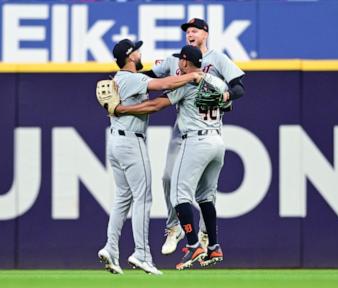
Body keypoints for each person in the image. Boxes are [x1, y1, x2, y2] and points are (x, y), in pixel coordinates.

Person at [116, 45, 228, 270]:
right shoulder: (218, 82)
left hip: (196, 140)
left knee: (178, 196)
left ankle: (194, 245)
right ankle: (214, 247)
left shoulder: (187, 82)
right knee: (206, 197)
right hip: (217, 140)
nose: (178, 64)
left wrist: (122, 110)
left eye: (180, 61)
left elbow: (156, 105)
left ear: (185, 62)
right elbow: (228, 102)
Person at [97, 39, 202, 275]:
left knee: (122, 198)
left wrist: (122, 109)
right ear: (130, 56)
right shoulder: (132, 78)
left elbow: (149, 106)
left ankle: (111, 249)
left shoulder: (118, 79)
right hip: (131, 142)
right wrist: (191, 77)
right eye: (136, 50)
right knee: (143, 198)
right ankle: (141, 254)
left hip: (114, 140)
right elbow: (164, 84)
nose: (140, 52)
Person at [144, 18, 245, 255]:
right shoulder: (175, 61)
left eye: (195, 30)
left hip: (200, 131)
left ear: (205, 34)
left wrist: (226, 97)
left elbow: (239, 88)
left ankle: (197, 240)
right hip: (189, 129)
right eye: (187, 31)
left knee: (186, 191)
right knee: (170, 179)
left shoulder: (217, 60)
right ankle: (176, 229)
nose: (190, 33)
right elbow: (150, 75)